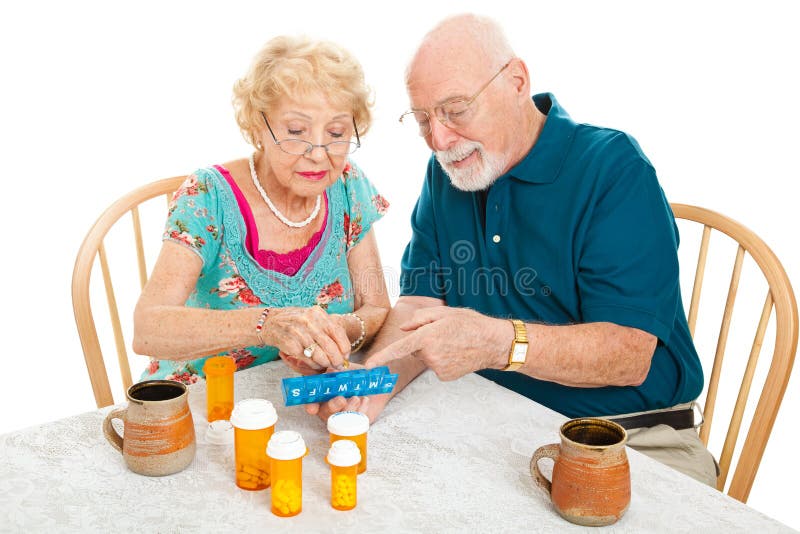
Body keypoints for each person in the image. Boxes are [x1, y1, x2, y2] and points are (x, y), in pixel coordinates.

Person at [345, 13, 715, 486]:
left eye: (455, 110)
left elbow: (629, 354)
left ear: (516, 81)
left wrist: (498, 344)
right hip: (499, 422)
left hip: (630, 438)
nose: (439, 139)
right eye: (422, 120)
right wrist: (369, 384)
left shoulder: (612, 169)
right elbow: (420, 305)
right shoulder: (447, 173)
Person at [133, 35, 390, 393]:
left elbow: (376, 307)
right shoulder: (207, 196)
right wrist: (267, 325)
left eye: (336, 132)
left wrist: (332, 330)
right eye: (296, 131)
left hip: (297, 399)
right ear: (258, 126)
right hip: (202, 402)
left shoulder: (349, 186)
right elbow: (148, 330)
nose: (318, 153)